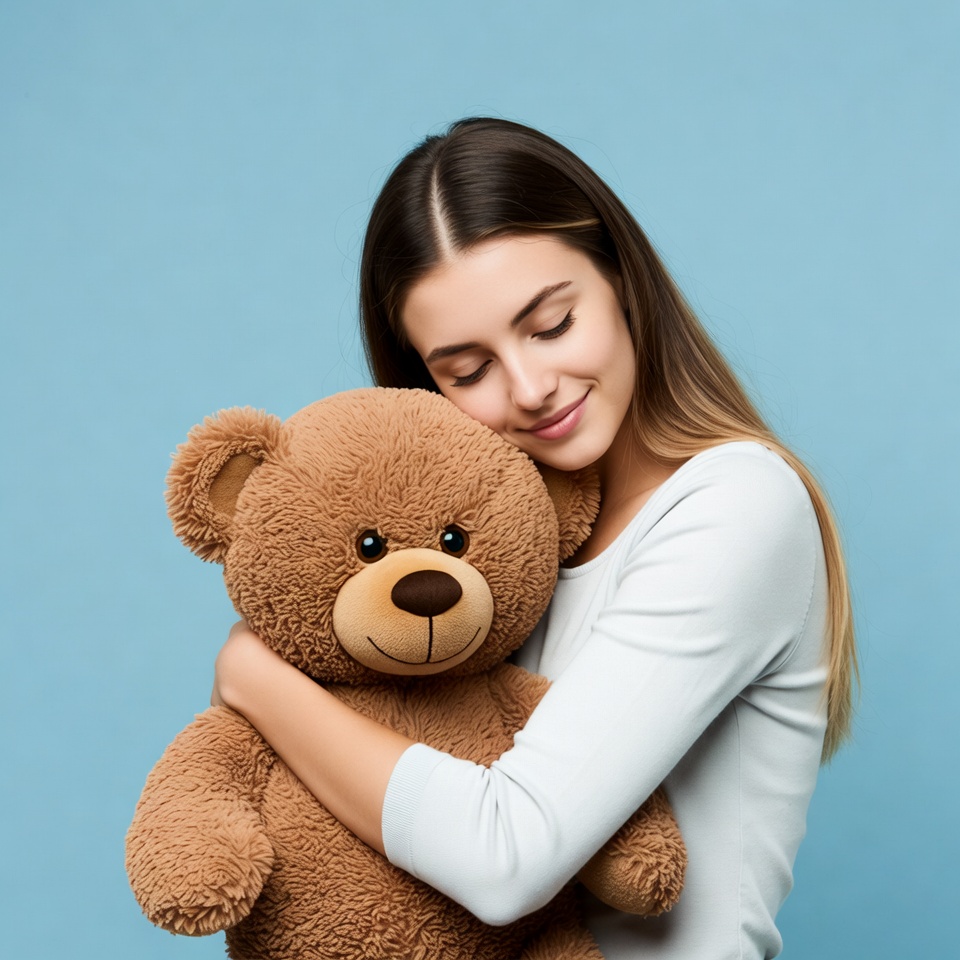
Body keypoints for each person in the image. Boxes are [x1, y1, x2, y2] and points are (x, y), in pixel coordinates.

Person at [212, 117, 857, 959]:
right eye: (467, 370)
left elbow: (506, 855)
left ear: (621, 279)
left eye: (551, 324)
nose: (530, 387)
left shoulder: (736, 505)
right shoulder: (496, 559)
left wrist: (254, 677)